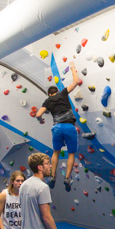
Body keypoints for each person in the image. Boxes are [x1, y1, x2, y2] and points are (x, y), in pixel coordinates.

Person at [34, 61, 83, 191]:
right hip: (69, 126)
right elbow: (76, 82)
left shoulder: (48, 100)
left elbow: (38, 114)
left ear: (49, 94)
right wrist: (72, 68)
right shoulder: (63, 93)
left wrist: (41, 120)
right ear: (56, 92)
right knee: (71, 153)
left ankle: (53, 176)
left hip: (57, 128)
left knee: (56, 152)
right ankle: (67, 178)